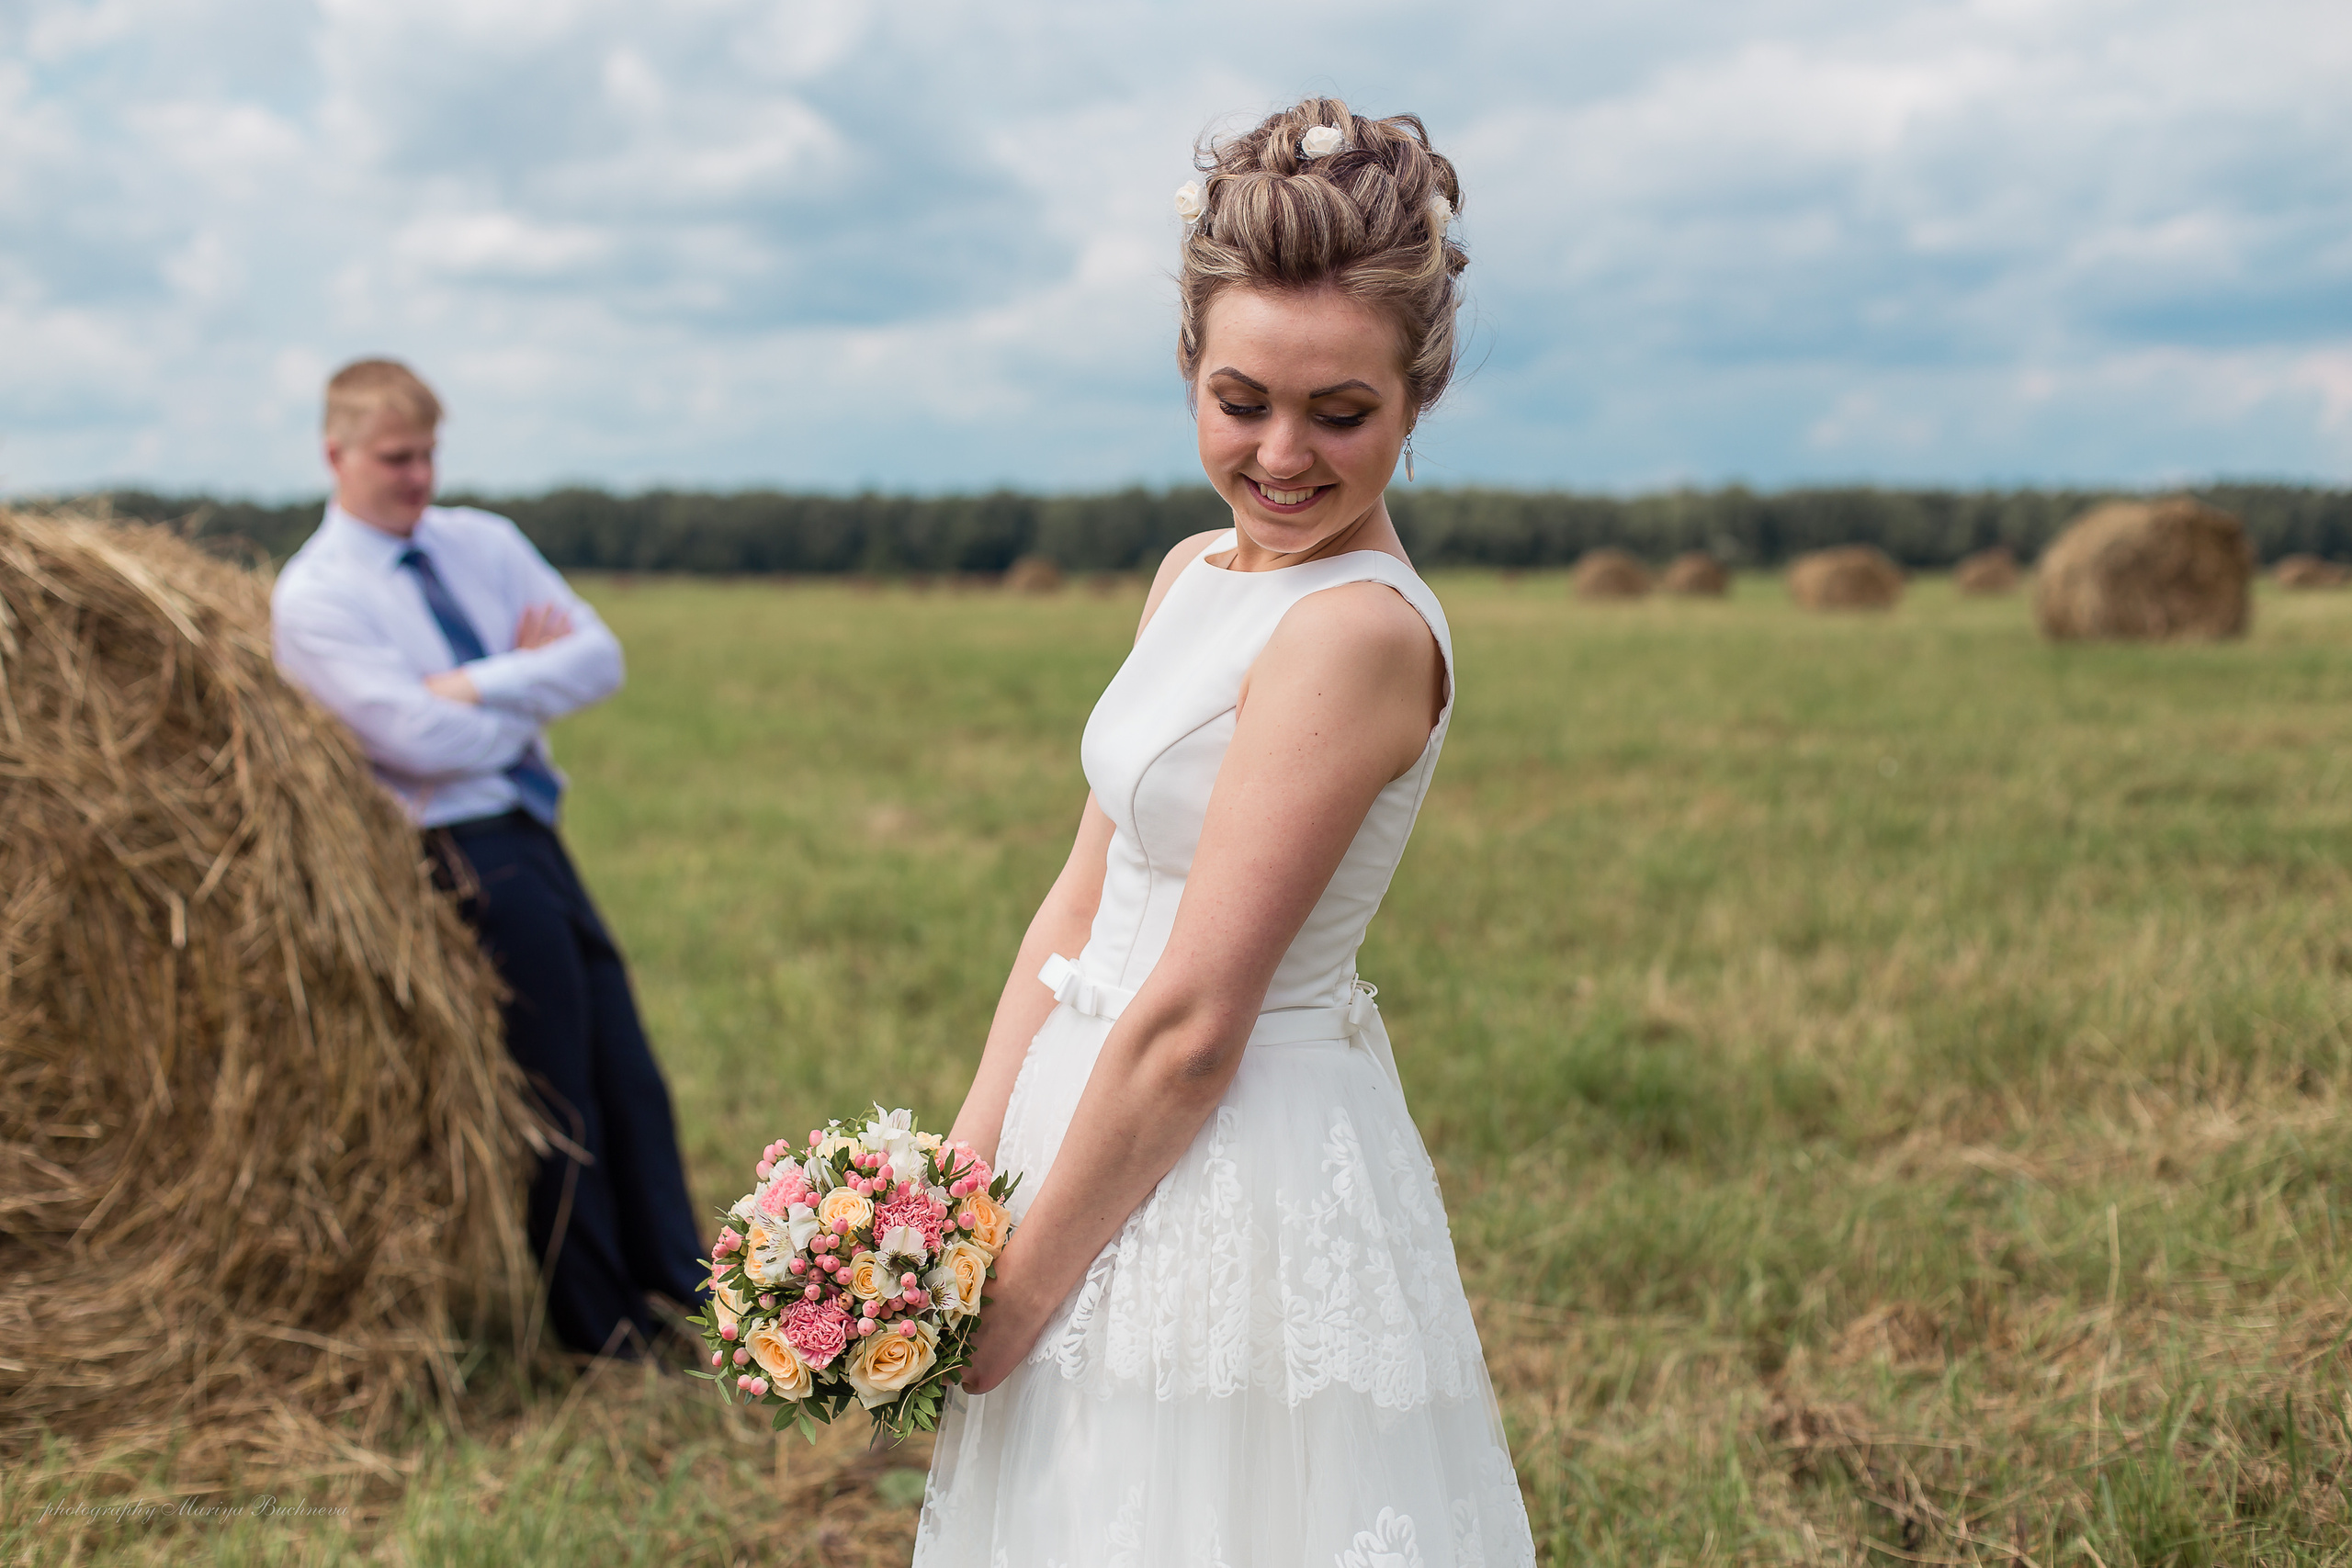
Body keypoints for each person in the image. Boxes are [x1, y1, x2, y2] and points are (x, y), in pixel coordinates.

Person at [916, 100, 1536, 1565]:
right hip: (1091, 1102)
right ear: (1190, 367)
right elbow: (1083, 892)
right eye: (1241, 398)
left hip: (1229, 1149)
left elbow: (1196, 1018)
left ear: (1415, 398)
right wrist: (952, 1174)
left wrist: (1015, 1299)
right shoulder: (1194, 566)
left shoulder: (1354, 634)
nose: (1281, 456)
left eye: (1342, 413)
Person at [270, 359, 706, 1359]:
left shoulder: (481, 542)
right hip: (450, 853)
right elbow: (411, 741)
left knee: (624, 1067)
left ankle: (677, 1286)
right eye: (395, 458)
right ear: (334, 454)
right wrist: (523, 696)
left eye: (427, 453)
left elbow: (600, 659)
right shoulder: (315, 596)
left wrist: (468, 684)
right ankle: (600, 1337)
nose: (418, 477)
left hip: (528, 833)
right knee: (554, 1090)